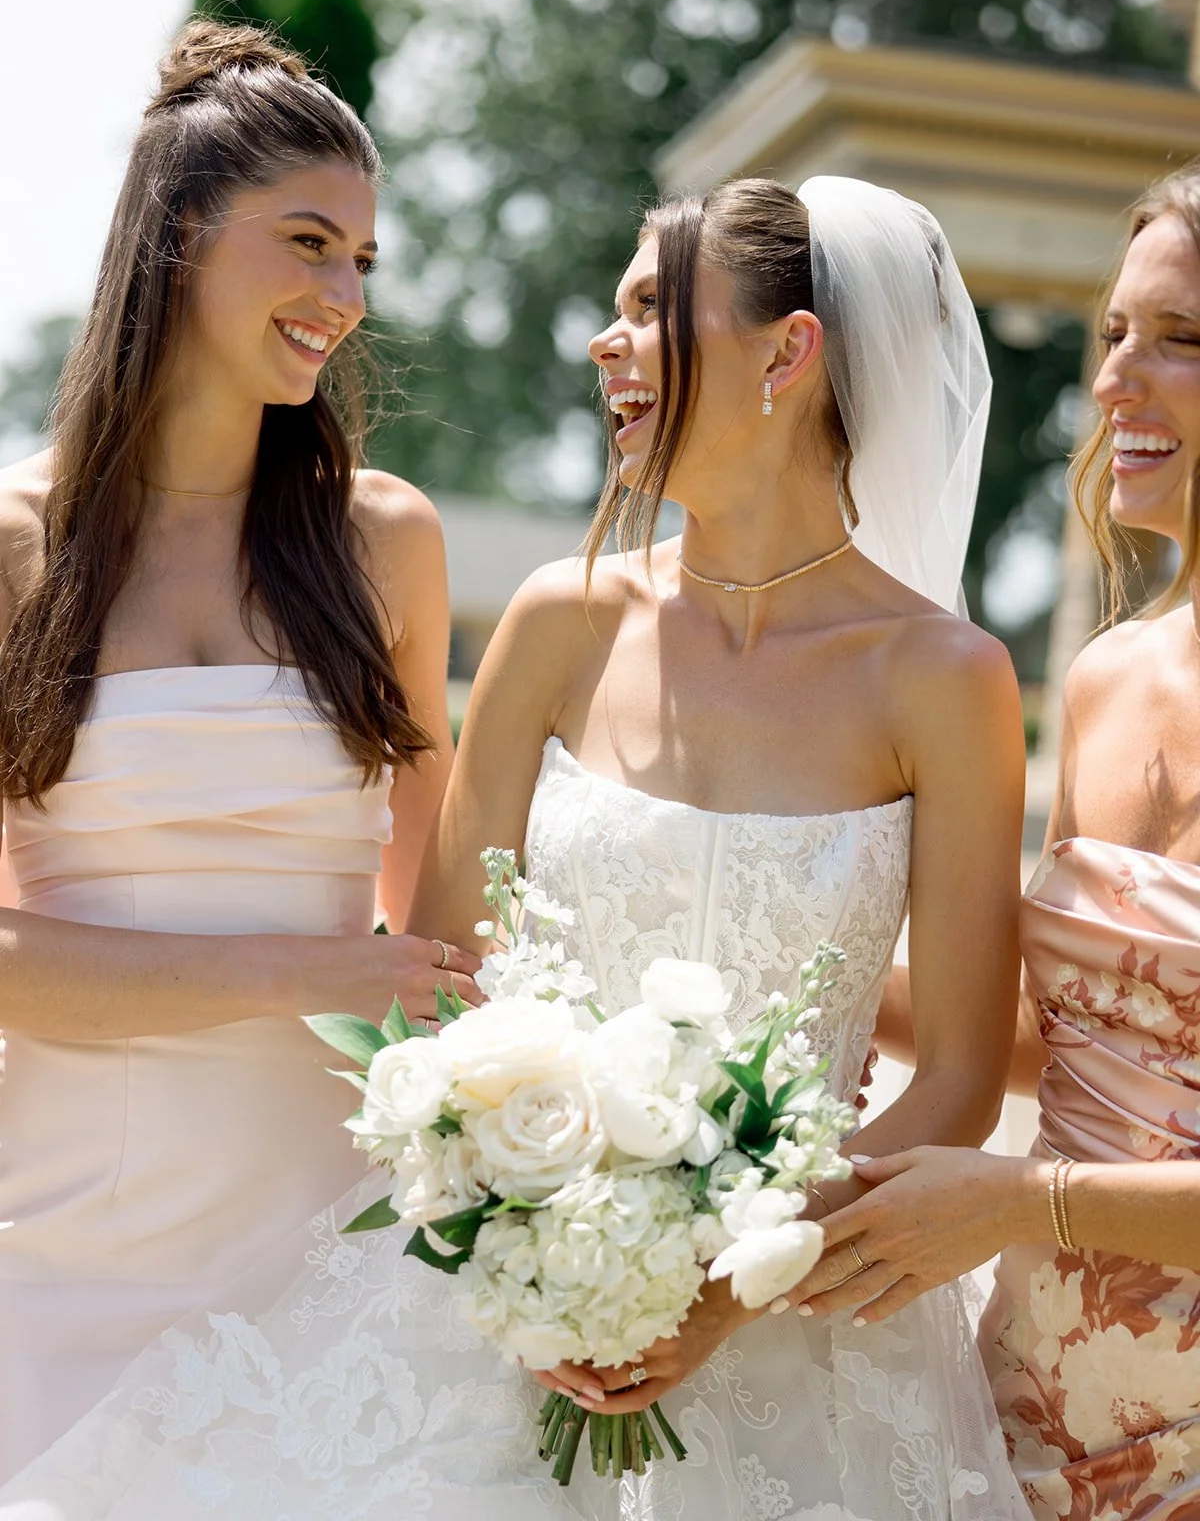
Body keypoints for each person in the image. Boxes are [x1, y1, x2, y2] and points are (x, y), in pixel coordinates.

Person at [0, 175, 1033, 1519]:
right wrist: (534, 1229)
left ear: (788, 352)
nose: (605, 345)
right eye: (611, 313)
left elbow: (956, 1076)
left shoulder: (946, 678)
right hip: (503, 1317)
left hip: (809, 1329)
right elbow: (446, 984)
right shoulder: (562, 622)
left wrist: (725, 1290)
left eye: (652, 310)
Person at [0, 19, 480, 1486]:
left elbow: (451, 912)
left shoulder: (385, 543)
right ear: (182, 233)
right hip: (69, 1231)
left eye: (364, 264)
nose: (343, 296)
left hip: (335, 1234)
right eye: (310, 243)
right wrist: (307, 974)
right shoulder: (17, 548)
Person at [785, 167, 1200, 1521]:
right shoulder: (1106, 679)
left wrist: (1024, 1199)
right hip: (1035, 1414)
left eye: (1181, 341)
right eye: (1115, 336)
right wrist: (764, 980)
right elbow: (1057, 1037)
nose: (1118, 385)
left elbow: (1036, 1174)